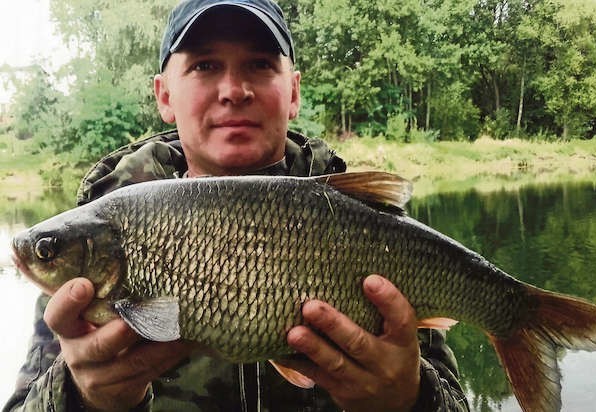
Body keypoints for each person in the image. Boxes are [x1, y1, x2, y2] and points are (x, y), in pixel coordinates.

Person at [4, 1, 469, 411]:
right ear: (164, 94)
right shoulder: (99, 239)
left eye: (260, 64)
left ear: (293, 92)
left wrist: (407, 400)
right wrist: (84, 398)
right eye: (205, 65)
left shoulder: (364, 226)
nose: (233, 89)